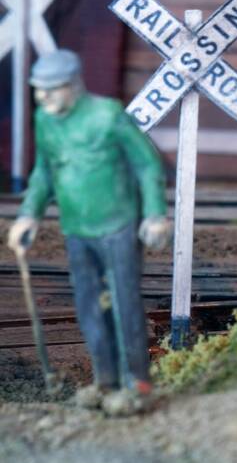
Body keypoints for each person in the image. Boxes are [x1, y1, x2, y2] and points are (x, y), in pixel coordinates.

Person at [6, 49, 170, 415]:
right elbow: (44, 172)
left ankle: (138, 385)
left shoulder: (108, 116)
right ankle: (106, 381)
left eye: (52, 89)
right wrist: (29, 216)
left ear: (74, 85)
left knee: (125, 305)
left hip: (117, 226)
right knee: (88, 308)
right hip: (77, 229)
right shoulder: (45, 121)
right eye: (38, 89)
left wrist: (156, 214)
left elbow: (146, 164)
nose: (43, 97)